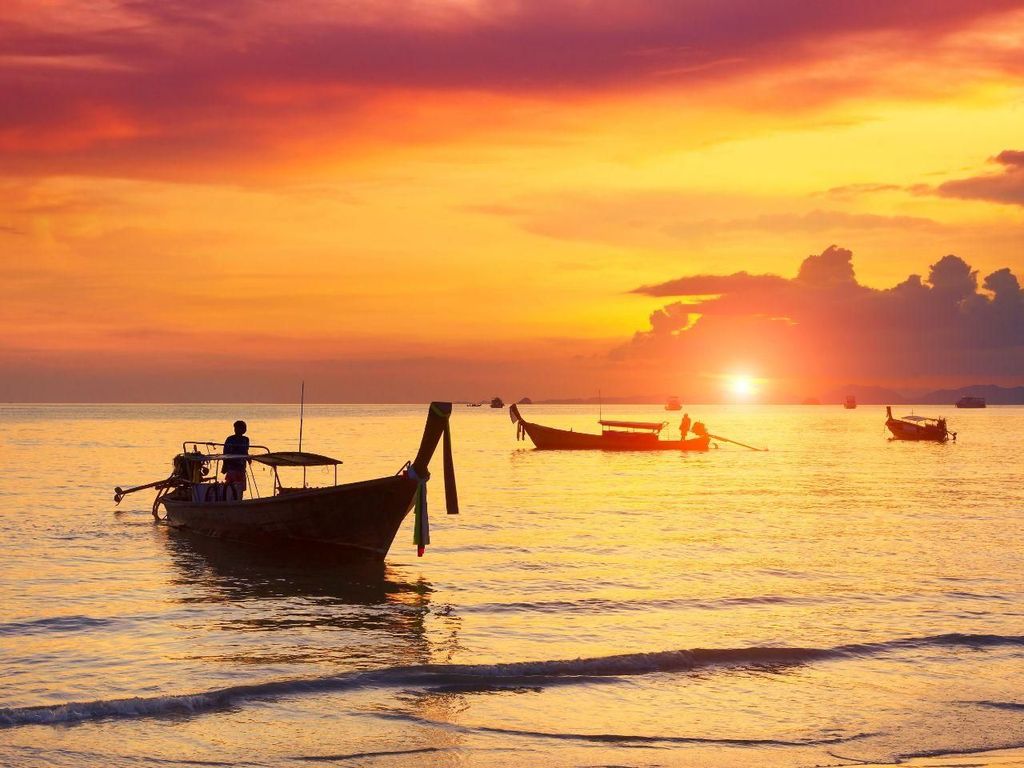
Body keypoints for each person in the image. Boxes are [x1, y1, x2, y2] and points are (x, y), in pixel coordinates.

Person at [222, 420, 249, 499]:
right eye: (236, 428)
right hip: (232, 467)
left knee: (240, 488)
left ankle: (239, 501)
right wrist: (225, 466)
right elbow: (225, 453)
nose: (237, 430)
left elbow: (245, 451)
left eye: (243, 428)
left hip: (241, 467)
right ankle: (229, 501)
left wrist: (248, 459)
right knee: (230, 487)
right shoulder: (230, 439)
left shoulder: (246, 439)